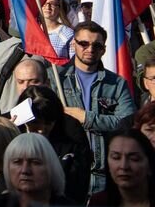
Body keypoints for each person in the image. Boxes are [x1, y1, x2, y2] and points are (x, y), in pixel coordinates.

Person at [57, 21, 137, 194]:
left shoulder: (116, 84)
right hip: (68, 171)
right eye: (84, 43)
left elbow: (126, 122)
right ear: (73, 44)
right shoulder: (56, 78)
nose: (90, 49)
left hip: (104, 174)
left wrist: (87, 118)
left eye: (97, 45)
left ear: (104, 49)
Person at [88, 128, 154, 207]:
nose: (124, 166)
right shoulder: (98, 203)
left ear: (149, 165)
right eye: (116, 157)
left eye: (134, 159)